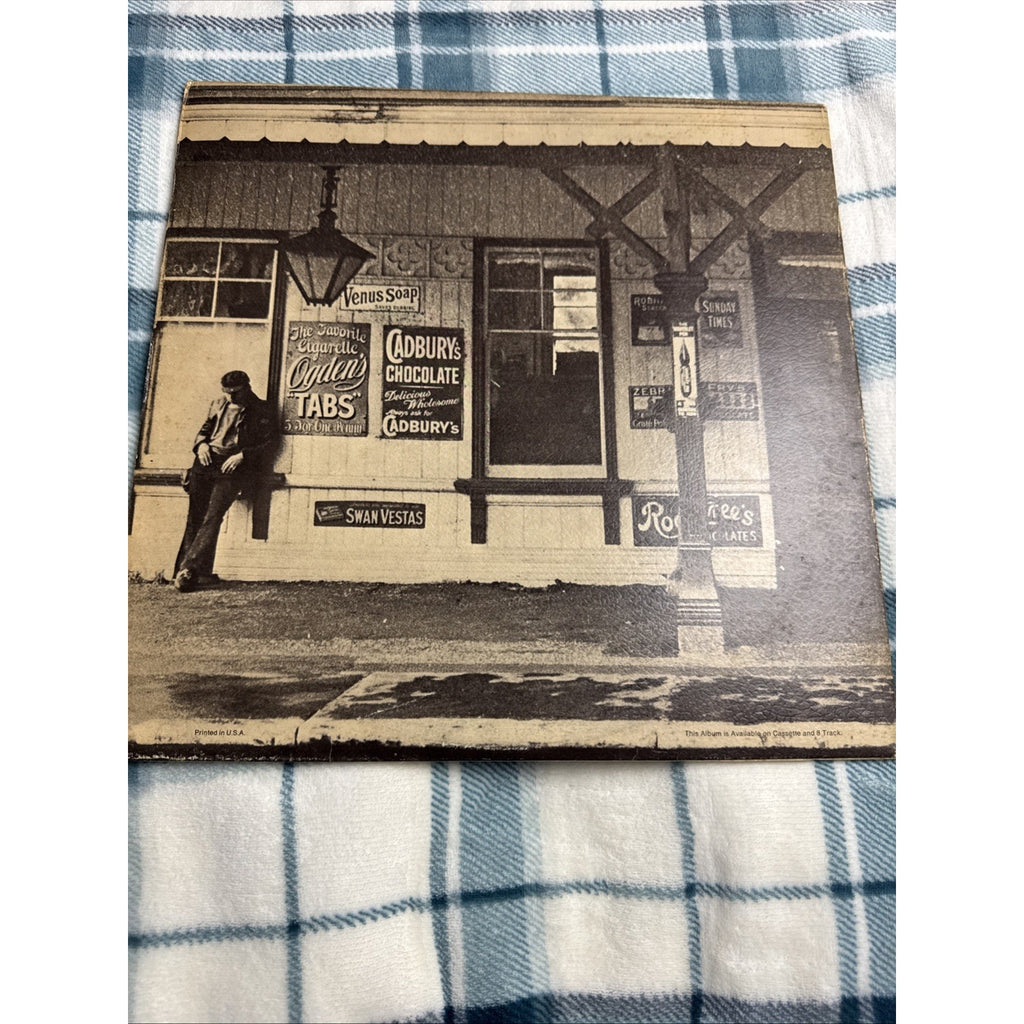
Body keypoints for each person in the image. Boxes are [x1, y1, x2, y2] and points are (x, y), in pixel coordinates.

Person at [173, 370, 276, 592]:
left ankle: (187, 570)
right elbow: (204, 430)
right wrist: (201, 446)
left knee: (213, 516)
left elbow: (269, 443)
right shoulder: (217, 403)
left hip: (232, 466)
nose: (230, 397)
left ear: (247, 388)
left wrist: (243, 456)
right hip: (205, 463)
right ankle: (199, 574)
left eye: (235, 393)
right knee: (195, 518)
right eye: (226, 392)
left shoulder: (262, 409)